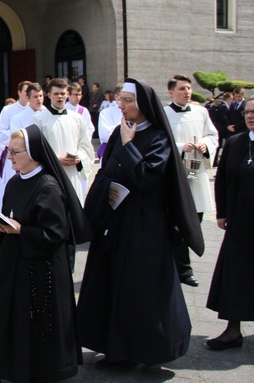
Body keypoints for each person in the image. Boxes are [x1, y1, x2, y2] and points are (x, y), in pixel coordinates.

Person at [78, 78, 204, 369]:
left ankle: (151, 353)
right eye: (120, 100)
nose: (120, 106)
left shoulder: (159, 137)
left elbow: (147, 177)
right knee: (113, 286)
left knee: (144, 290)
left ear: (143, 104)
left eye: (127, 101)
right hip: (117, 219)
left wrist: (127, 145)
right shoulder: (118, 132)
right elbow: (106, 171)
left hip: (147, 225)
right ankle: (118, 350)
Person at [0, 126, 87, 383]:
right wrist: (3, 223)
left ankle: (33, 371)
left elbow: (56, 234)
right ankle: (0, 368)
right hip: (12, 260)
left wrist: (22, 230)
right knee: (2, 314)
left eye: (15, 152)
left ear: (32, 153)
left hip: (39, 268)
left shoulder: (48, 187)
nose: (9, 156)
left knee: (32, 323)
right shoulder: (14, 181)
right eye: (8, 151)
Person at [205, 97, 254, 351]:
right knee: (235, 276)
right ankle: (232, 330)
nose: (250, 116)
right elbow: (221, 179)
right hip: (239, 221)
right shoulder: (235, 142)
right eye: (247, 112)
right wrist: (221, 212)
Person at [164, 74, 218, 287]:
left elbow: (213, 135)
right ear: (171, 92)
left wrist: (206, 145)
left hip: (197, 175)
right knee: (177, 222)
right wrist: (180, 148)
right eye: (182, 89)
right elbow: (159, 140)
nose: (187, 92)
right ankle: (183, 270)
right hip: (176, 175)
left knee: (195, 220)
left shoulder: (201, 112)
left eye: (188, 88)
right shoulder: (164, 113)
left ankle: (183, 262)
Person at [31, 78, 94, 203]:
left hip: (72, 173)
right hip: (50, 173)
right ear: (48, 95)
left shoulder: (77, 118)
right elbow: (35, 149)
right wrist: (55, 160)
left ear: (67, 94)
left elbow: (85, 145)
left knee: (73, 210)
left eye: (63, 93)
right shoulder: (38, 119)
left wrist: (79, 157)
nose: (60, 97)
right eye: (56, 94)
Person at [0, 81, 30, 209]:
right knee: (11, 185)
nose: (29, 94)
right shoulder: (8, 110)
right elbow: (1, 132)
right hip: (13, 155)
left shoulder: (37, 109)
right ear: (19, 92)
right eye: (26, 91)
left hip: (31, 156)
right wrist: (18, 139)